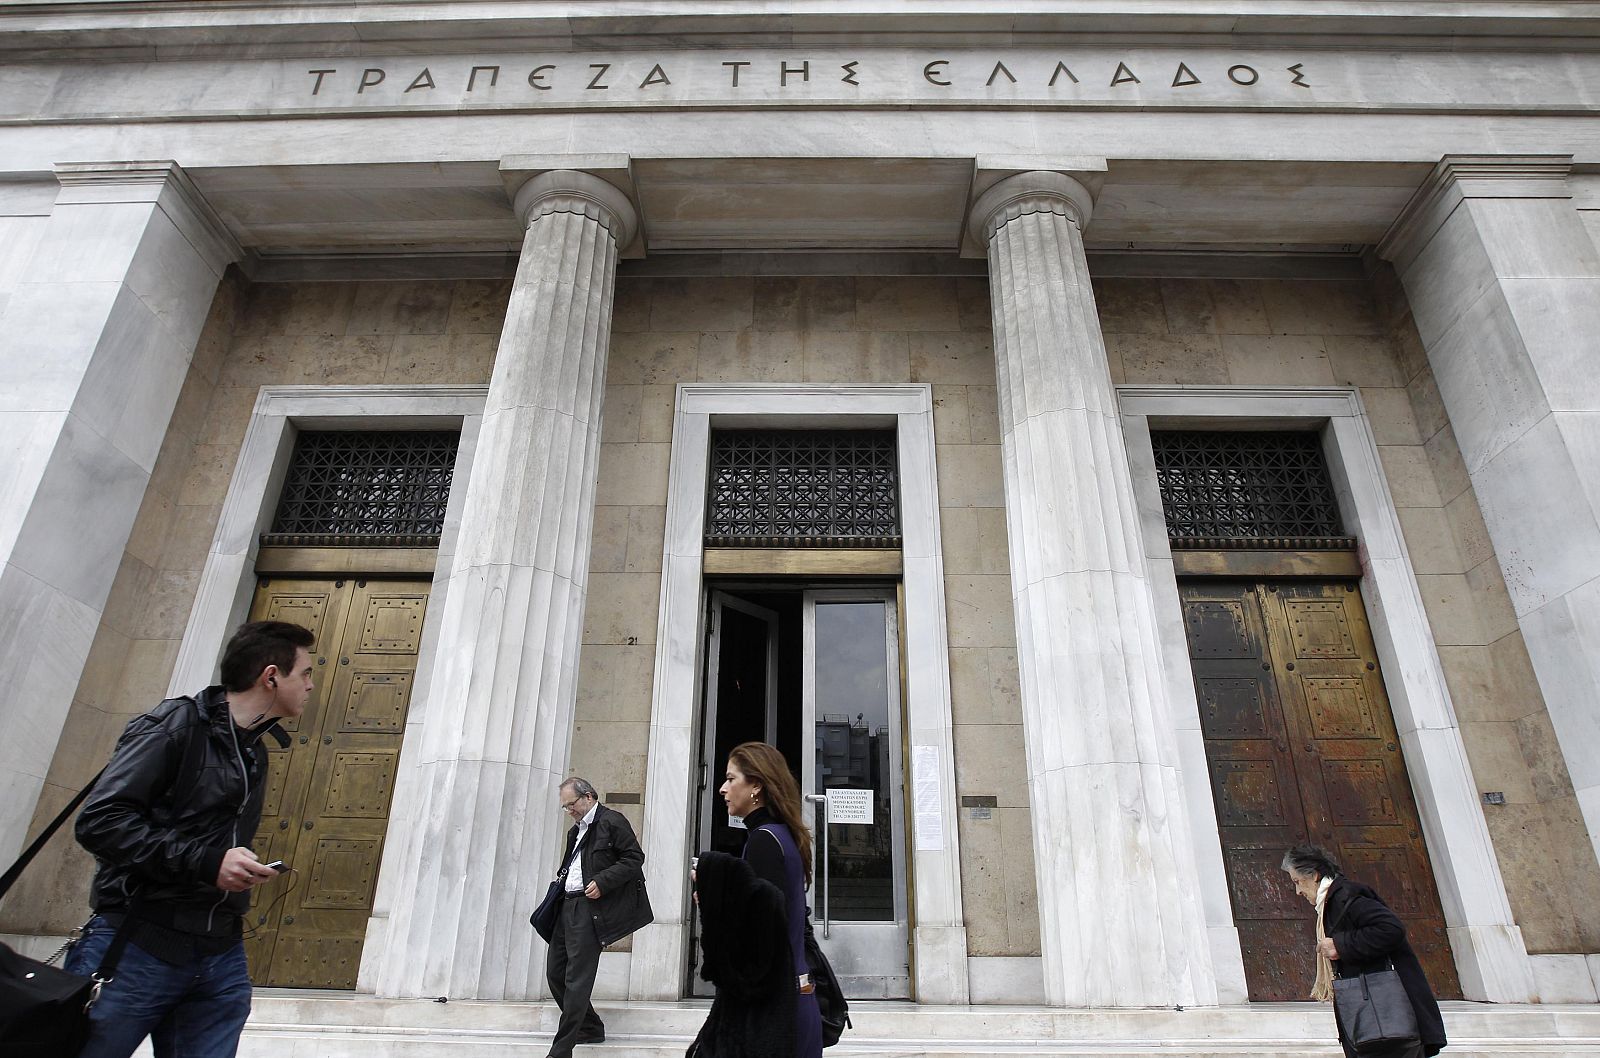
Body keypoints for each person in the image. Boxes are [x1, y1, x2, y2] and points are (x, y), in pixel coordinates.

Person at [65, 620, 316, 1058]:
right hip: (139, 945)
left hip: (220, 953)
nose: (312, 685)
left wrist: (229, 867)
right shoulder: (175, 726)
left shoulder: (254, 749)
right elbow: (101, 821)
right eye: (306, 673)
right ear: (271, 676)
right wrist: (207, 862)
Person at [694, 741, 823, 1058]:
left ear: (756, 786)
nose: (723, 789)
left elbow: (761, 938)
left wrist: (713, 902)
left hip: (777, 1014)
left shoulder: (764, 841)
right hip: (792, 1000)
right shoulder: (780, 835)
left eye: (731, 779)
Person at [1281, 844, 1447, 1058]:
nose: (1297, 891)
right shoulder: (1332, 903)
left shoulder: (1346, 897)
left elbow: (1391, 929)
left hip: (1387, 1015)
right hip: (1378, 1019)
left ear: (1313, 875)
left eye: (1297, 882)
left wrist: (1341, 945)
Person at [545, 777, 652, 1058]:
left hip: (590, 909)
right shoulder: (575, 832)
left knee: (576, 979)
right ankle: (590, 1027)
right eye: (565, 807)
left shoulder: (612, 821)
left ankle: (561, 1049)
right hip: (566, 906)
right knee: (555, 973)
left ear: (589, 796)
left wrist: (604, 881)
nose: (569, 811)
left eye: (572, 804)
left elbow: (633, 858)